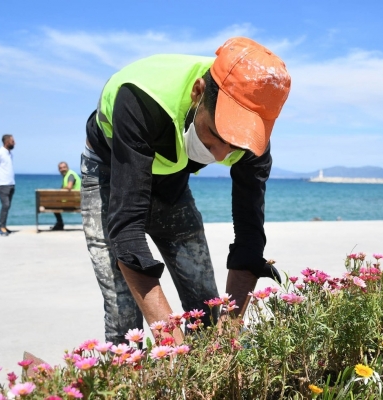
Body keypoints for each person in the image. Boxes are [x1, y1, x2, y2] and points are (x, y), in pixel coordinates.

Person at [81, 37, 291, 345]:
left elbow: (249, 240)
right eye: (216, 136)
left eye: (235, 144)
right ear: (198, 93)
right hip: (111, 169)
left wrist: (226, 335)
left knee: (206, 306)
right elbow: (127, 232)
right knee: (124, 317)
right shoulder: (141, 98)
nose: (221, 155)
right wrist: (172, 343)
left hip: (171, 178)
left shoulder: (253, 141)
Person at [0, 134, 15, 236]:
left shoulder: (10, 154)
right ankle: (1, 227)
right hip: (2, 184)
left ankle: (4, 226)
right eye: (12, 141)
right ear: (6, 142)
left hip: (11, 183)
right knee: (5, 205)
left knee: (7, 206)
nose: (14, 143)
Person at [51, 161, 81, 231]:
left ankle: (60, 224)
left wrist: (60, 190)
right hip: (75, 201)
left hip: (75, 202)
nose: (62, 169)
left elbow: (69, 186)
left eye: (64, 167)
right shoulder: (67, 176)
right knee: (54, 204)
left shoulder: (70, 175)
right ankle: (59, 224)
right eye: (60, 168)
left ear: (67, 167)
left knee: (53, 205)